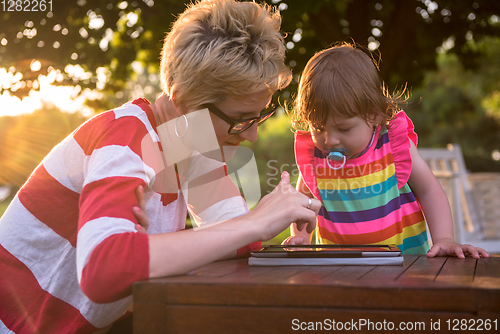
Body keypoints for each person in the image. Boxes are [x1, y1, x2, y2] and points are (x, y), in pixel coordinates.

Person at [0, 1, 321, 333]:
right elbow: (104, 270)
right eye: (240, 121)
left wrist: (276, 241)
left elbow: (237, 242)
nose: (253, 135)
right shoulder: (125, 137)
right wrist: (254, 222)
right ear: (184, 100)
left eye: (259, 116)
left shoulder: (190, 146)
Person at [286, 42, 489, 259]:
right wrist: (301, 239)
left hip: (404, 266)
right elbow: (303, 205)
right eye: (318, 127)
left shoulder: (392, 146)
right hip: (336, 270)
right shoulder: (316, 158)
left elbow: (429, 191)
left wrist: (444, 239)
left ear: (375, 115)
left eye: (343, 128)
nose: (330, 140)